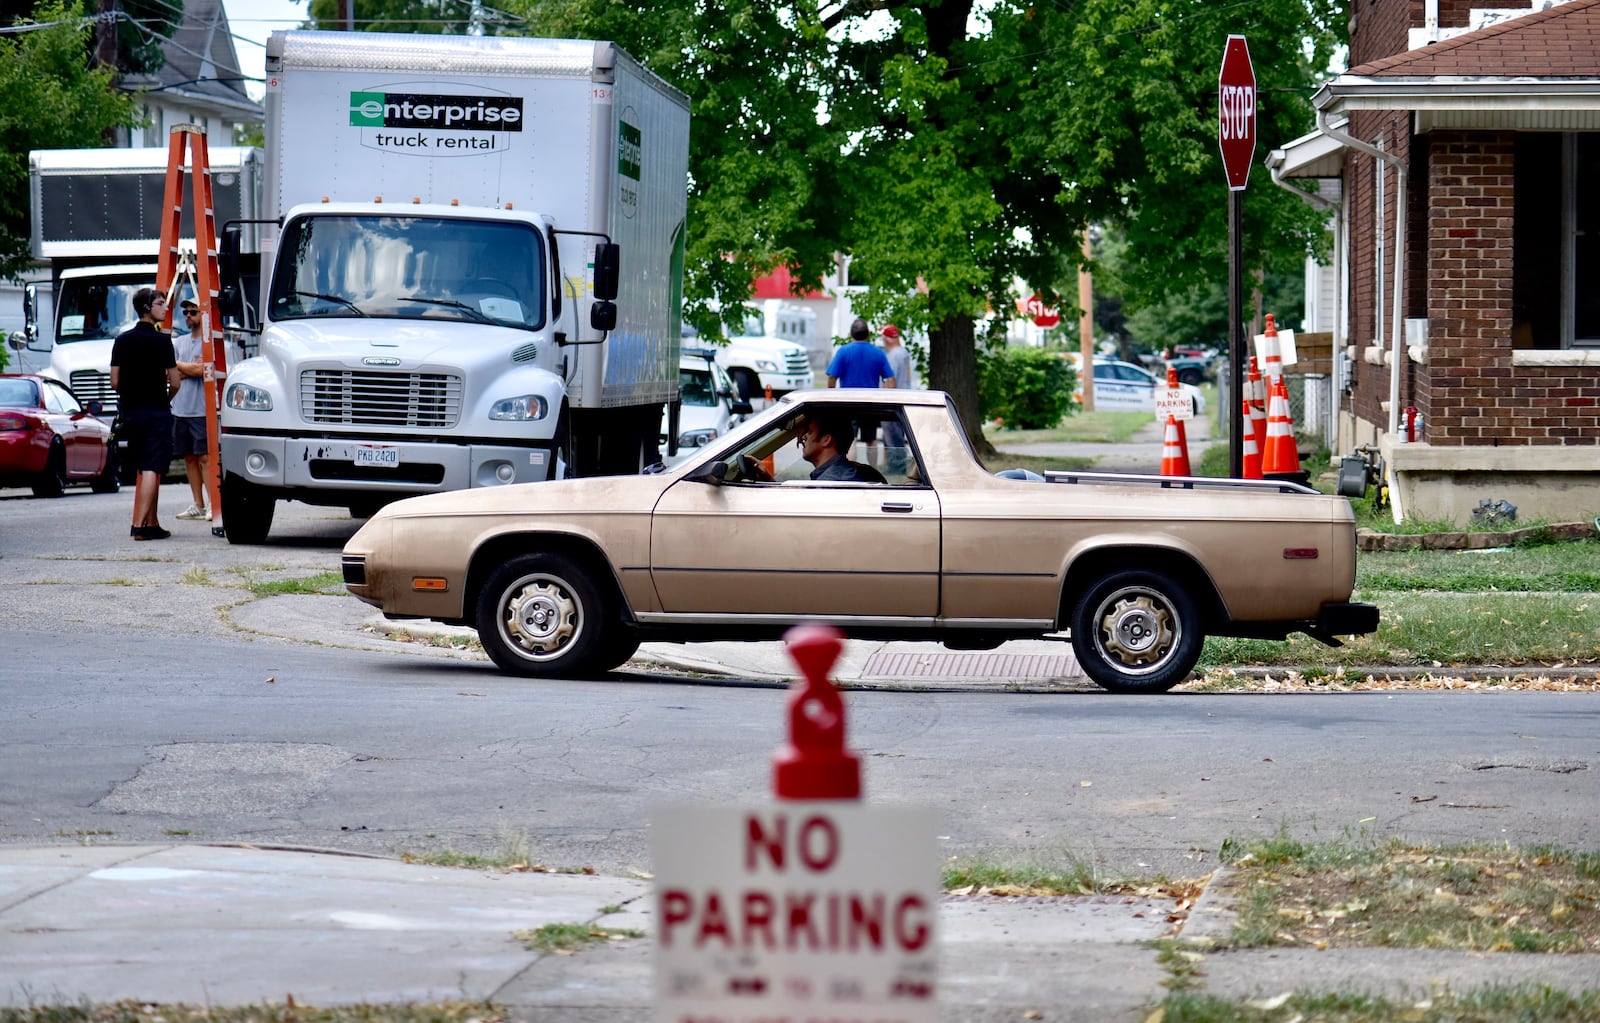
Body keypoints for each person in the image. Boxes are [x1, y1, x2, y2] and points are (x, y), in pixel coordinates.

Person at [109, 288, 181, 541]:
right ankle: (140, 525)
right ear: (147, 308)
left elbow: (114, 381)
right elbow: (176, 382)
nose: (165, 308)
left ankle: (152, 522)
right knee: (153, 467)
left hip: (130, 412)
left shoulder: (122, 340)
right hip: (157, 412)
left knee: (143, 465)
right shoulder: (162, 341)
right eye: (161, 304)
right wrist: (164, 398)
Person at [827, 318, 896, 463]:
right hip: (870, 403)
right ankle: (874, 472)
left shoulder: (843, 352)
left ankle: (851, 473)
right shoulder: (878, 353)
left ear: (851, 334)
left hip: (848, 403)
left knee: (850, 440)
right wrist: (889, 399)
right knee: (871, 440)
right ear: (868, 334)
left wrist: (830, 396)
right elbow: (889, 379)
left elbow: (832, 377)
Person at [170, 299, 211, 521]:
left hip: (201, 409)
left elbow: (202, 370)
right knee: (189, 458)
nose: (188, 315)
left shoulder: (208, 341)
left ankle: (213, 502)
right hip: (181, 408)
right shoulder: (179, 342)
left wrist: (180, 366)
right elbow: (171, 372)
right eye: (185, 312)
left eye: (193, 311)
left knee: (205, 457)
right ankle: (198, 503)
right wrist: (191, 368)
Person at [792, 411, 885, 484]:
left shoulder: (831, 483)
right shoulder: (840, 476)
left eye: (809, 432)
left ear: (826, 440)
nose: (803, 438)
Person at [880, 324, 914, 473]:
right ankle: (898, 466)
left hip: (893, 400)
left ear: (888, 338)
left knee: (892, 437)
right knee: (897, 435)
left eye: (883, 336)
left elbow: (890, 379)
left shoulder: (893, 355)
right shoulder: (904, 352)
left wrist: (886, 399)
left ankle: (896, 468)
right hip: (904, 396)